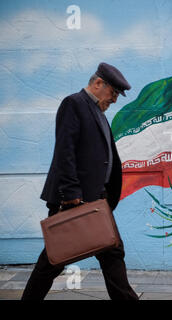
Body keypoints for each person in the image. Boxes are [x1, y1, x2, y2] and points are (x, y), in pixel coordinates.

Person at [21, 62, 139, 300]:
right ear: (98, 83)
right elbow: (65, 150)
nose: (115, 99)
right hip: (74, 199)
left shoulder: (98, 113)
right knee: (53, 260)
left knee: (113, 253)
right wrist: (71, 193)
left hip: (96, 200)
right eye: (113, 93)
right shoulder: (74, 104)